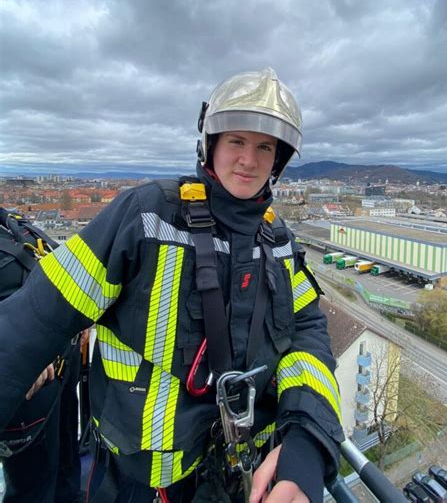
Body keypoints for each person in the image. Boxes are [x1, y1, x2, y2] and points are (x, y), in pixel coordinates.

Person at [0, 68, 343, 502]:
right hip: (136, 481)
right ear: (211, 143)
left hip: (235, 480)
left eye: (265, 147)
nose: (249, 160)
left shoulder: (277, 242)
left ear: (279, 159)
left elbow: (308, 337)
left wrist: (307, 448)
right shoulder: (147, 218)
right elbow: (33, 320)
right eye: (237, 141)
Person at [0, 209, 82, 503]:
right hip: (22, 390)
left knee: (64, 474)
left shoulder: (12, 223)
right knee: (33, 489)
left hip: (58, 380)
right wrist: (19, 354)